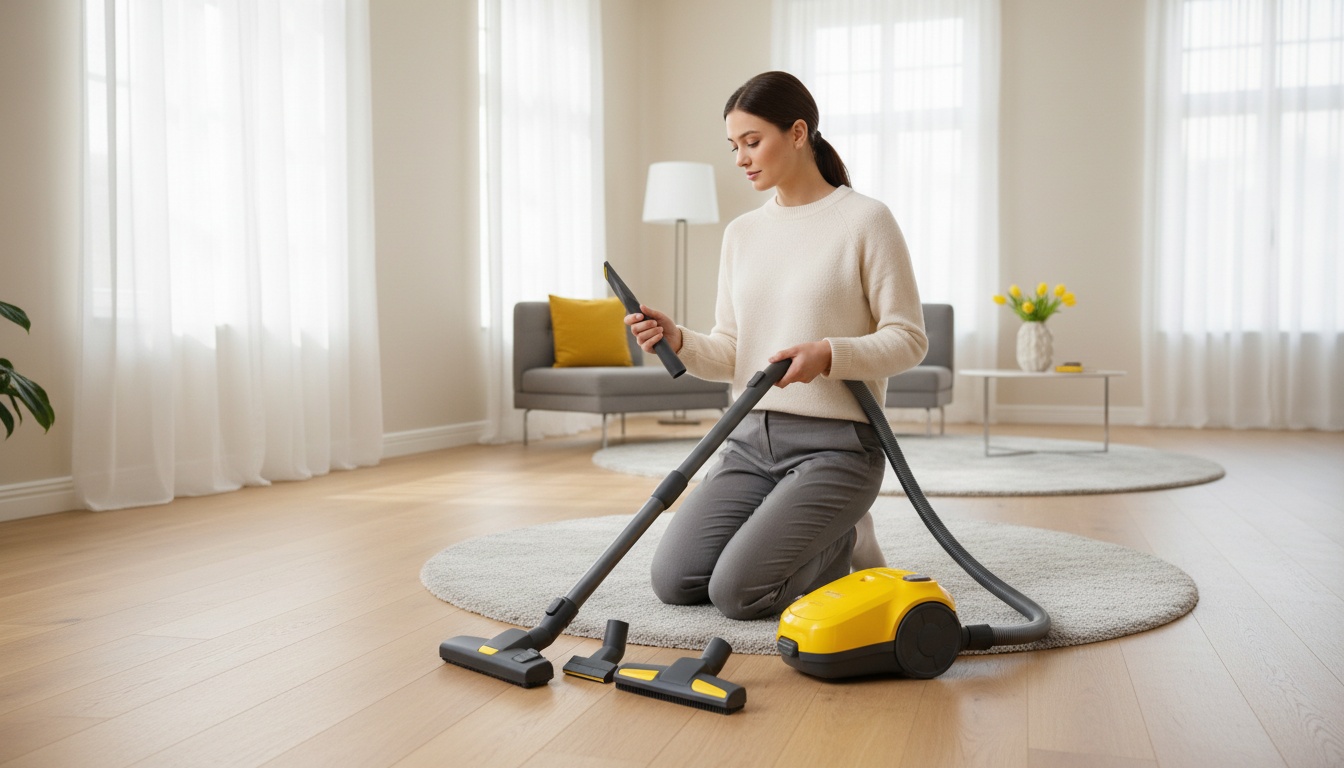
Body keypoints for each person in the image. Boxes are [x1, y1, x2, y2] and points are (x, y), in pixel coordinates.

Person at [625, 71, 928, 621]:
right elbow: (732, 351)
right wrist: (679, 340)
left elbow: (908, 340)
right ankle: (811, 528)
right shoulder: (742, 234)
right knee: (676, 580)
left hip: (837, 448)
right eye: (733, 146)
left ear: (797, 133)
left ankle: (843, 540)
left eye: (752, 141)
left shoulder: (866, 220)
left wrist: (829, 355)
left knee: (737, 593)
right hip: (748, 443)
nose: (740, 158)